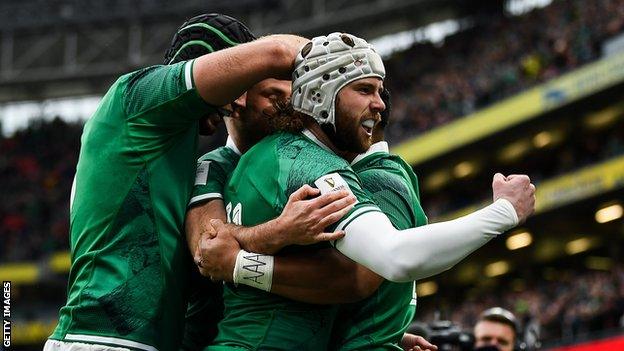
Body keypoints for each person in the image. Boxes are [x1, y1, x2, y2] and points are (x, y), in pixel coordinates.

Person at [195, 32, 535, 350]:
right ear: (320, 95)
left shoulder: (262, 156)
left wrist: (241, 262)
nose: (380, 104)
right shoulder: (308, 164)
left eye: (379, 91)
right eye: (364, 90)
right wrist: (504, 212)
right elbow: (395, 259)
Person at [45, 14, 351, 351]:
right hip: (102, 341)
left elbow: (212, 257)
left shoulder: (170, 148)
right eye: (240, 82)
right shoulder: (135, 97)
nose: (238, 101)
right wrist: (349, 67)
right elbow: (278, 51)